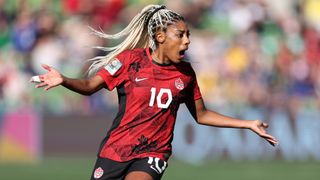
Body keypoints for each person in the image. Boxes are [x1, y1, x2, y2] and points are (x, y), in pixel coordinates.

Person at [31, 4, 278, 180]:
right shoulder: (130, 61)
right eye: (180, 35)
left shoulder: (185, 74)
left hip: (153, 153)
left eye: (188, 35)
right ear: (160, 37)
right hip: (116, 149)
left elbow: (201, 115)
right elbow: (89, 87)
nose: (187, 41)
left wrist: (247, 124)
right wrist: (63, 79)